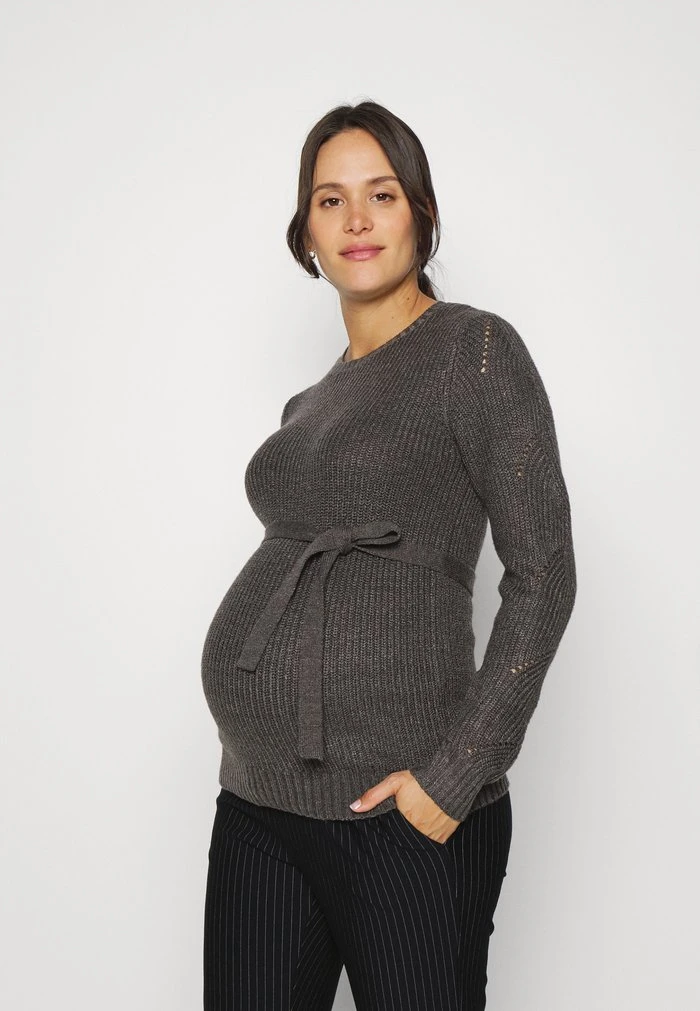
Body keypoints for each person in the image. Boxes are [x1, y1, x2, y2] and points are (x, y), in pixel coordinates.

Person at [200, 99, 577, 1010]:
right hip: (256, 802)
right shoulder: (312, 401)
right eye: (330, 200)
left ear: (422, 211)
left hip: (401, 816)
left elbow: (544, 574)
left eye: (382, 193)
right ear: (307, 234)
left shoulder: (474, 350)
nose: (357, 220)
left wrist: (455, 777)